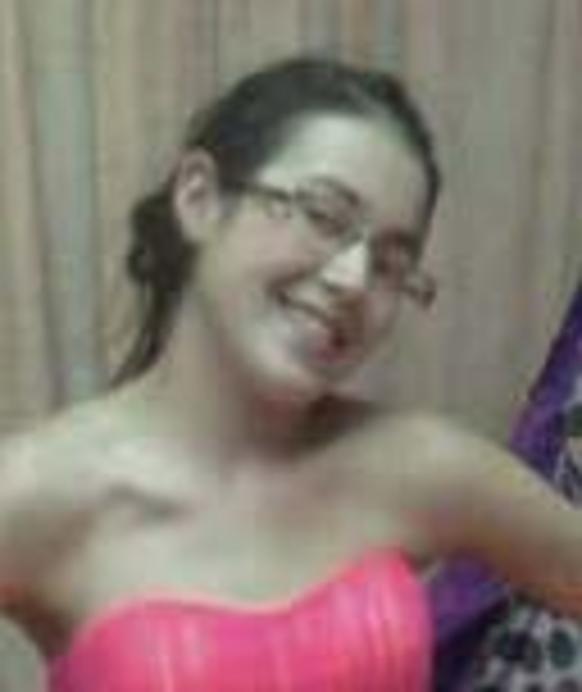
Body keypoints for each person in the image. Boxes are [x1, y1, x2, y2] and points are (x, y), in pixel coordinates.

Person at [0, 56, 580, 691]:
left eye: (391, 264)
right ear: (199, 198)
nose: (352, 280)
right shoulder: (41, 489)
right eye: (323, 217)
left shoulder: (417, 466)